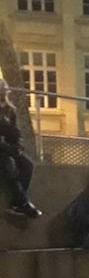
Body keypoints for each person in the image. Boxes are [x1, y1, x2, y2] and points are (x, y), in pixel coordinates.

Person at [0, 81, 41, 218]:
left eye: (4, 89)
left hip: (9, 147)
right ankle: (23, 203)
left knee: (28, 166)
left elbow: (15, 131)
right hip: (3, 149)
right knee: (9, 167)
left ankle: (16, 202)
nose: (4, 92)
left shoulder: (9, 109)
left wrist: (18, 145)